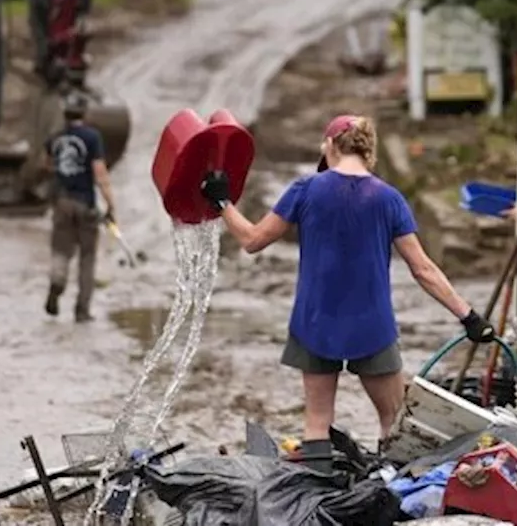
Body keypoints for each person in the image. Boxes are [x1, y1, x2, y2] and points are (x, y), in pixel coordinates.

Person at [199, 114, 494, 468]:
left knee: (317, 422)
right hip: (372, 325)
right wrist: (469, 316)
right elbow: (423, 269)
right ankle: (391, 500)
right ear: (368, 153)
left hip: (315, 322)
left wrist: (222, 202)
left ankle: (317, 503)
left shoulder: (305, 190)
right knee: (393, 421)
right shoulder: (389, 199)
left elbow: (251, 241)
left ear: (330, 146)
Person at [43, 93, 116, 322]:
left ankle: (56, 283)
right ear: (84, 114)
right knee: (87, 258)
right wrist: (110, 204)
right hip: (86, 204)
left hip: (62, 203)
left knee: (61, 251)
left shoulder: (54, 139)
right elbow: (100, 174)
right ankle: (82, 310)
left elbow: (47, 166)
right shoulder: (92, 137)